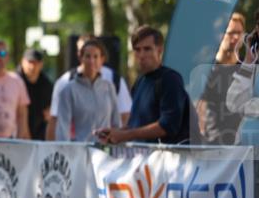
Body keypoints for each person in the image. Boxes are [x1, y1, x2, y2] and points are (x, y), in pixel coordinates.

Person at [98, 26, 189, 145]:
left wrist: (125, 135)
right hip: (144, 160)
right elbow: (136, 125)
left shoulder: (170, 79)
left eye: (147, 49)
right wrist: (115, 133)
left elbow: (168, 126)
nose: (141, 55)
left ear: (160, 50)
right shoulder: (139, 82)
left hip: (171, 159)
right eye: (137, 49)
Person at [47, 34, 132, 139]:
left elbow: (117, 123)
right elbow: (62, 127)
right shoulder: (68, 89)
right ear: (80, 58)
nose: (91, 61)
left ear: (102, 59)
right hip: (80, 150)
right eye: (87, 56)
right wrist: (65, 151)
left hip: (104, 151)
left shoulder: (110, 87)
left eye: (96, 56)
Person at [196, 12, 246, 145]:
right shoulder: (205, 69)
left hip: (242, 149)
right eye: (230, 32)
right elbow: (197, 107)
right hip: (212, 147)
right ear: (219, 35)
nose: (235, 37)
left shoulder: (247, 71)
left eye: (239, 33)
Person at [17, 48, 53, 141]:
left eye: (36, 63)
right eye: (30, 62)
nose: (32, 66)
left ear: (41, 65)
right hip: (16, 133)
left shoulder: (47, 85)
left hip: (39, 135)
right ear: (22, 62)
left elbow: (49, 112)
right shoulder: (14, 81)